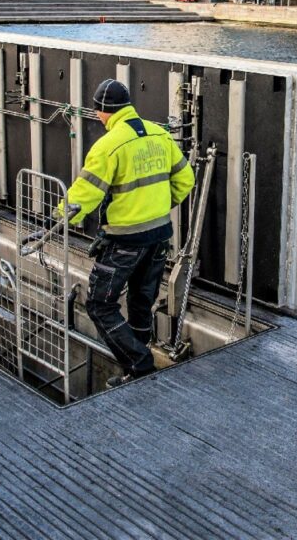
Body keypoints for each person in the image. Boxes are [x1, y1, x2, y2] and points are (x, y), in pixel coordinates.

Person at [61, 78, 194, 387]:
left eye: (97, 111)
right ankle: (138, 362)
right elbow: (185, 179)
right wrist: (162, 204)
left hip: (125, 241)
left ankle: (140, 364)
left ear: (102, 111)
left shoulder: (108, 146)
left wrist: (55, 216)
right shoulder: (160, 135)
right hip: (160, 234)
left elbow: (84, 195)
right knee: (140, 301)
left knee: (99, 304)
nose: (96, 116)